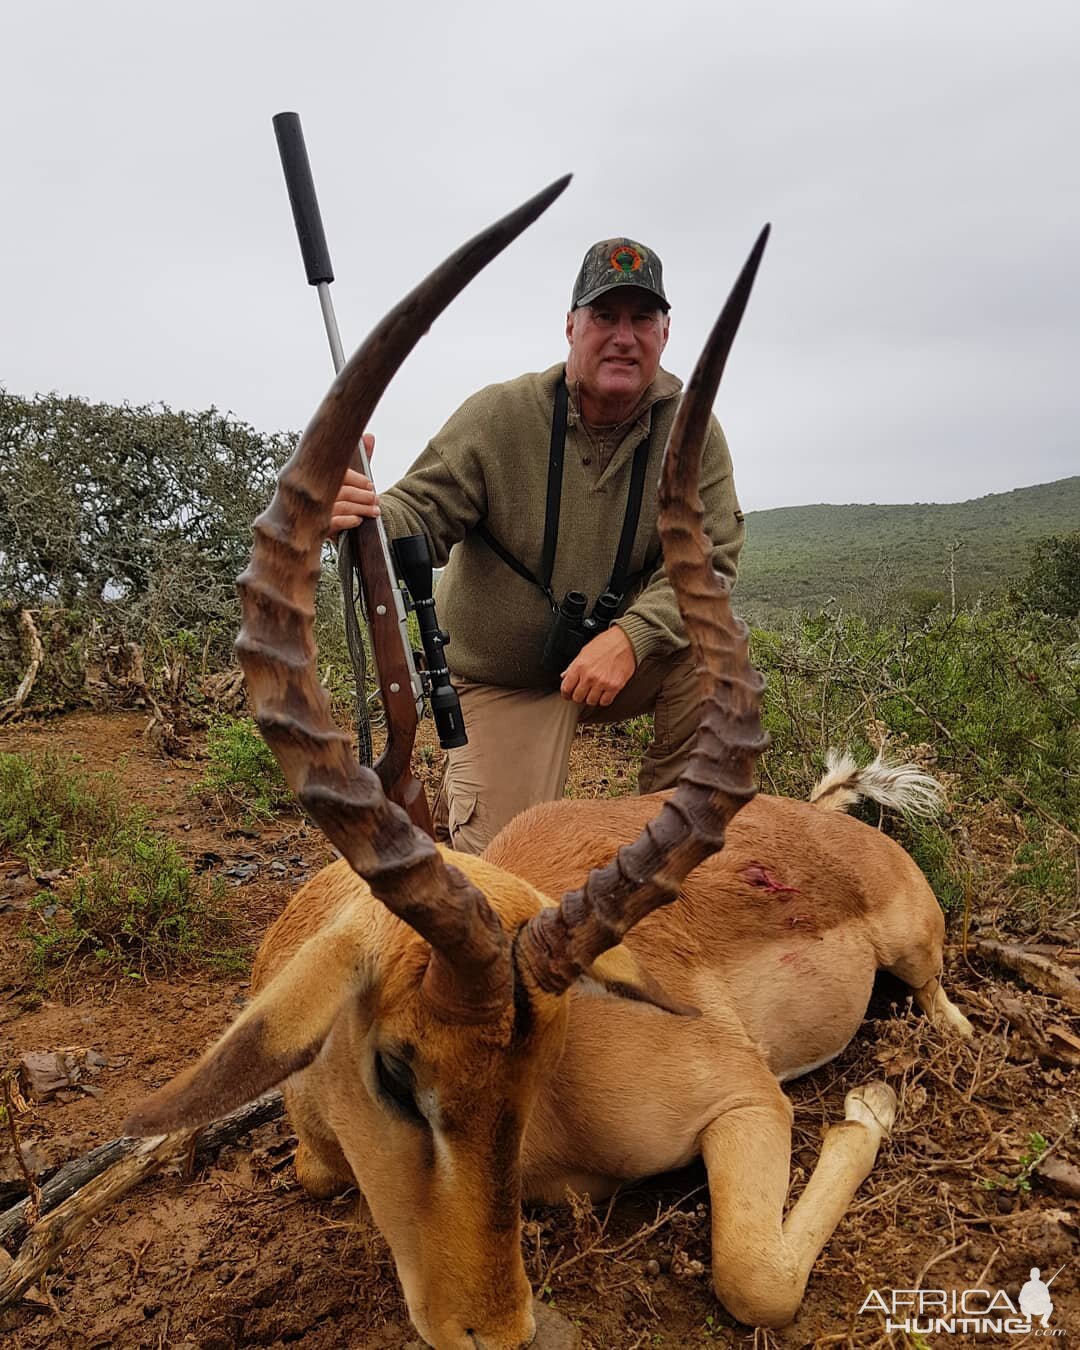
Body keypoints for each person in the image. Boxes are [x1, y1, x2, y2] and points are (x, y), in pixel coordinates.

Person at [331, 237, 745, 854]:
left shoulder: (694, 431)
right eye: (605, 316)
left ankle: (670, 845)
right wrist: (360, 513)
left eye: (642, 319)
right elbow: (416, 510)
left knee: (715, 654)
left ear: (665, 332)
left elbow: (707, 560)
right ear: (571, 325)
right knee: (502, 876)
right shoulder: (500, 416)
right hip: (504, 679)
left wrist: (633, 638)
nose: (623, 337)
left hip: (612, 665)